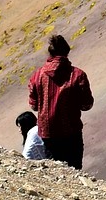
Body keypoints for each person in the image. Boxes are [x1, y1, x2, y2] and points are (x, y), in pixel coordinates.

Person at [27, 35, 92, 169]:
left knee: (57, 168)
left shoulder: (37, 76)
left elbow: (33, 105)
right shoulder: (77, 75)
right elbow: (87, 104)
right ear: (67, 52)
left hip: (48, 133)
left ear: (50, 53)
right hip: (71, 130)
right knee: (75, 168)